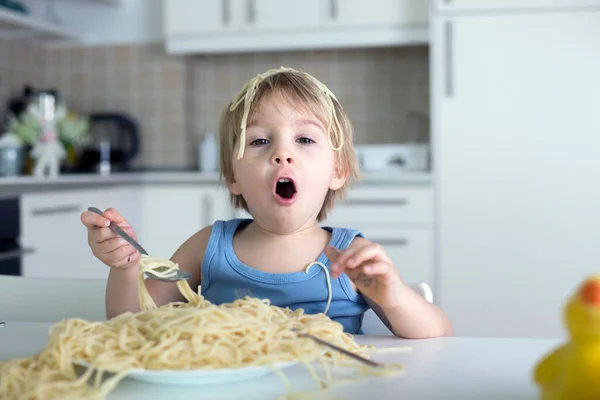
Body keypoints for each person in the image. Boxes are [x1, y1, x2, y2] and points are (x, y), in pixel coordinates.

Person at [81, 67, 453, 338]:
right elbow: (128, 322)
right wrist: (126, 264)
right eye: (260, 141)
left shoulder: (350, 257)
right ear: (233, 176)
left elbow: (439, 336)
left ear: (337, 170)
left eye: (304, 140)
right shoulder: (209, 246)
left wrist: (395, 297)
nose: (283, 155)